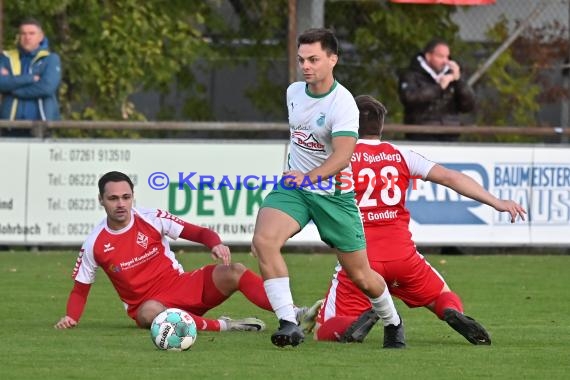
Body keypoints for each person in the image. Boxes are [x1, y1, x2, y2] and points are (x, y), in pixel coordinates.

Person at [309, 95, 527, 345]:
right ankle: (451, 313)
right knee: (442, 296)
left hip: (361, 259)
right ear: (380, 125)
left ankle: (358, 321)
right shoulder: (401, 155)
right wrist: (497, 202)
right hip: (403, 257)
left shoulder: (338, 159)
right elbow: (450, 177)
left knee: (322, 331)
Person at [251, 28, 404, 349]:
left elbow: (343, 155)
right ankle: (288, 322)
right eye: (301, 59)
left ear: (333, 59)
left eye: (314, 59)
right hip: (295, 189)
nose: (306, 66)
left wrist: (309, 178)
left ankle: (392, 321)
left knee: (362, 276)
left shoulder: (343, 103)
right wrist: (299, 178)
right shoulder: (294, 91)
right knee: (264, 241)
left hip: (334, 195)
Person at [54, 171, 310, 332]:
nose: (121, 204)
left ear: (133, 196)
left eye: (126, 197)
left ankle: (293, 313)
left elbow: (197, 232)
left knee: (235, 271)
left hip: (183, 286)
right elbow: (80, 289)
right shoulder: (94, 243)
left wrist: (216, 243)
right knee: (149, 312)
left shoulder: (151, 217)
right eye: (113, 199)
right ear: (101, 200)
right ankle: (226, 325)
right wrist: (71, 317)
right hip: (150, 307)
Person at [398, 38, 475, 142]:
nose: (445, 61)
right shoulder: (411, 75)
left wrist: (458, 81)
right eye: (440, 56)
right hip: (421, 133)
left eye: (447, 57)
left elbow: (468, 106)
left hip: (450, 133)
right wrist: (439, 88)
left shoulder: (452, 76)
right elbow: (410, 98)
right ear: (428, 56)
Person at [0, 18, 61, 137]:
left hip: (42, 126)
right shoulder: (6, 57)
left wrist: (13, 90)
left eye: (32, 33)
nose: (27, 37)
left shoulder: (51, 59)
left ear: (41, 36)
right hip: (10, 126)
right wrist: (29, 79)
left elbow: (47, 88)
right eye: (23, 33)